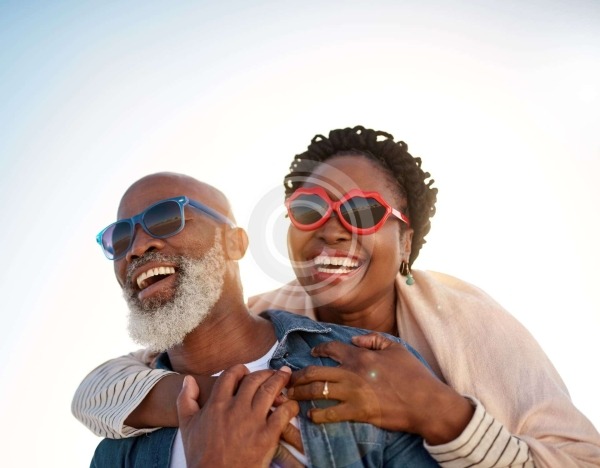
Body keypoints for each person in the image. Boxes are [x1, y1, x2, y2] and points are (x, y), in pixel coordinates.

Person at [73, 127, 600, 467]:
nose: (333, 229)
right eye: (309, 211)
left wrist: (440, 414)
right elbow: (107, 386)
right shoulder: (262, 318)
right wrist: (211, 402)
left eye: (365, 212)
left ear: (406, 242)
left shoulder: (466, 324)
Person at [84, 171, 439, 467]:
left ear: (234, 243)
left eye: (164, 219)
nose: (136, 248)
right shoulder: (116, 453)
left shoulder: (366, 365)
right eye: (120, 238)